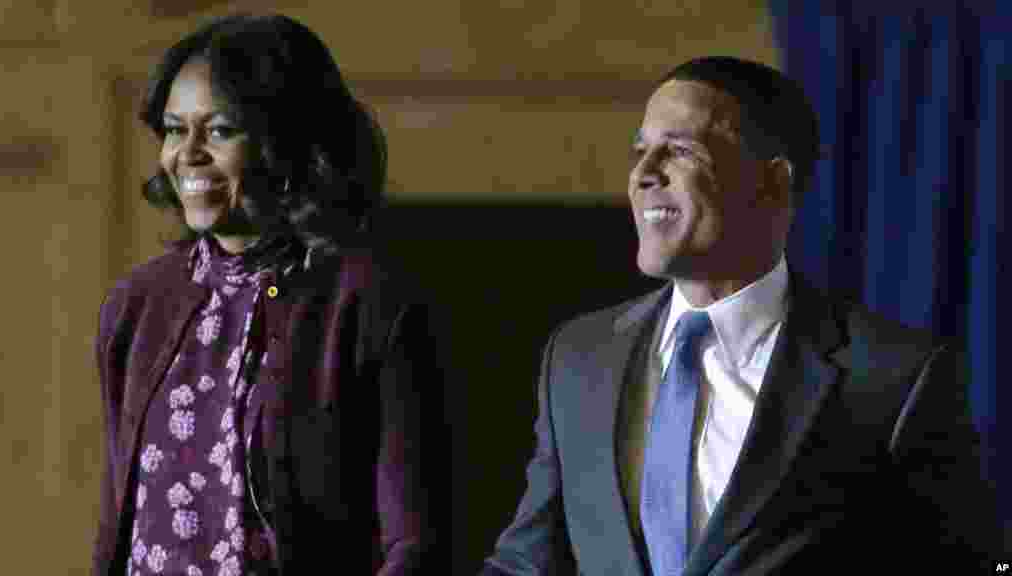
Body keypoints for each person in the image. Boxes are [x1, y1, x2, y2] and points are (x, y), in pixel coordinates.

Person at [480, 56, 1001, 575]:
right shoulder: (578, 356)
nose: (643, 173)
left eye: (680, 150)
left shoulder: (895, 377)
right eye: (640, 151)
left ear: (772, 183)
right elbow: (526, 564)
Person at [92, 13, 446, 575]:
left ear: (288, 141)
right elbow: (120, 521)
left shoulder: (371, 304)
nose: (187, 153)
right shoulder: (136, 305)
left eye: (220, 129)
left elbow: (414, 543)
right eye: (175, 128)